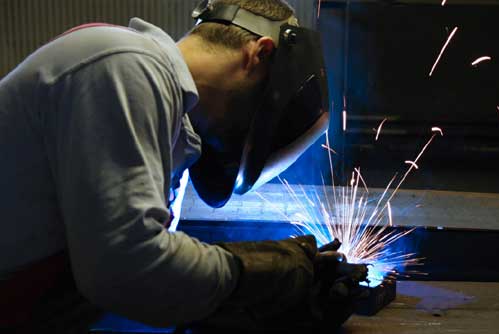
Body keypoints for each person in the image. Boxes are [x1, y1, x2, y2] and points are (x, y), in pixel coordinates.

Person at [0, 0, 367, 332]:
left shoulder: (170, 129)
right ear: (259, 54)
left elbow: (139, 286)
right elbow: (126, 268)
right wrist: (260, 272)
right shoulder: (125, 65)